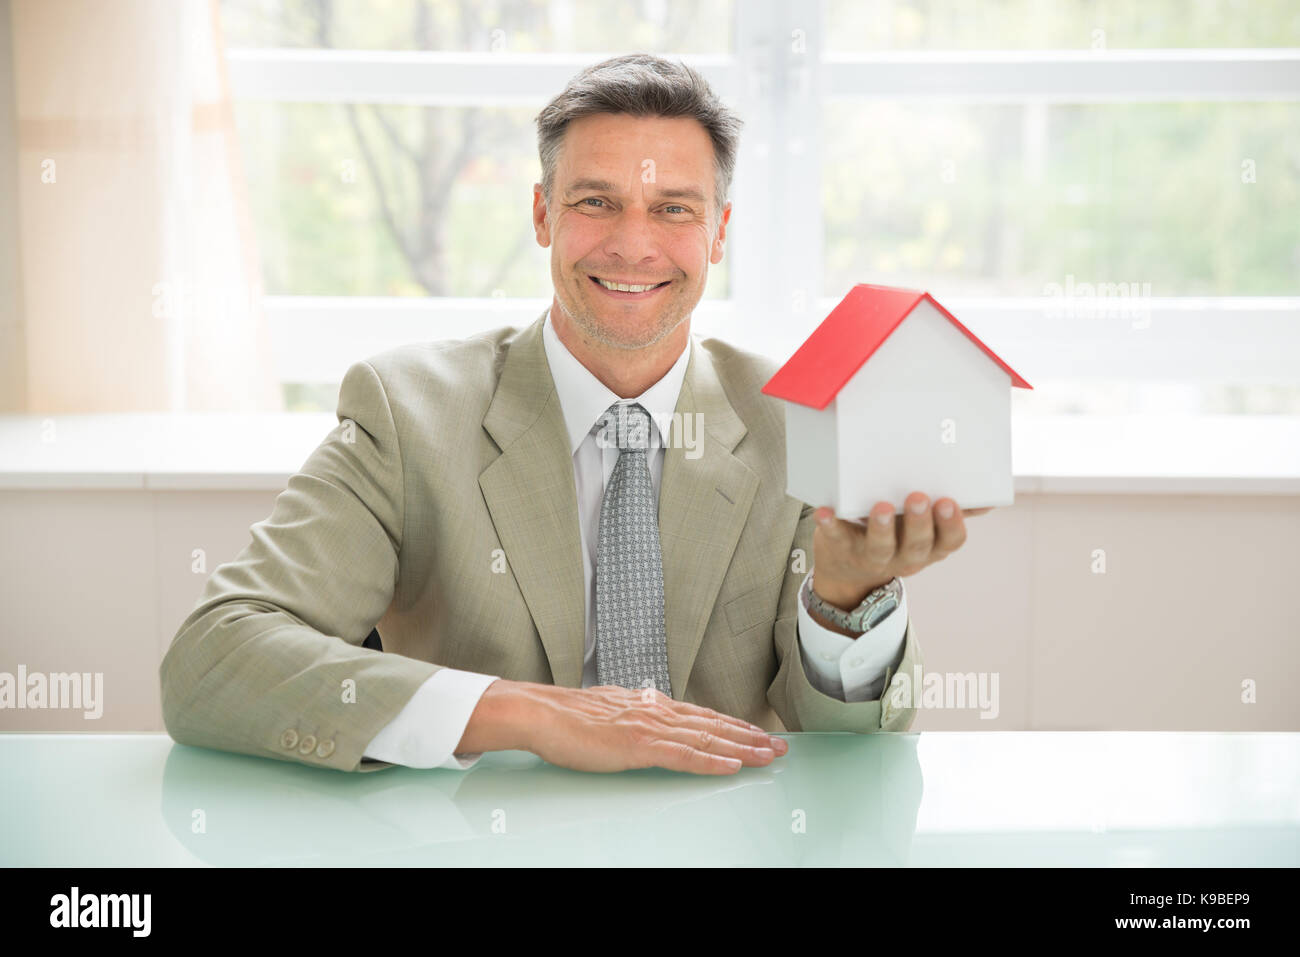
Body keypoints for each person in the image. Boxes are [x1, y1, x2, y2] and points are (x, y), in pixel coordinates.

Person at [160, 53, 986, 775]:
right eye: (596, 202)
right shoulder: (405, 415)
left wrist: (841, 600)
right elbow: (211, 661)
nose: (634, 244)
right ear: (541, 213)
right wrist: (532, 714)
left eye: (674, 209)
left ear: (719, 232)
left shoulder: (793, 423)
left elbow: (851, 754)